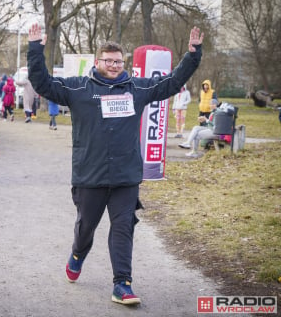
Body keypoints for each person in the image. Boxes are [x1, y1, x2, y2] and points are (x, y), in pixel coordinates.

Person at [27, 22, 204, 305]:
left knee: (123, 227)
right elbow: (43, 83)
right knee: (86, 228)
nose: (113, 65)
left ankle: (122, 284)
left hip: (126, 176)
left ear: (125, 64)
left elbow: (171, 82)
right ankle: (77, 254)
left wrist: (192, 54)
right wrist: (35, 49)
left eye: (118, 61)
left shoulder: (137, 88)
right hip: (90, 175)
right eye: (108, 61)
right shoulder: (78, 88)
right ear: (98, 61)